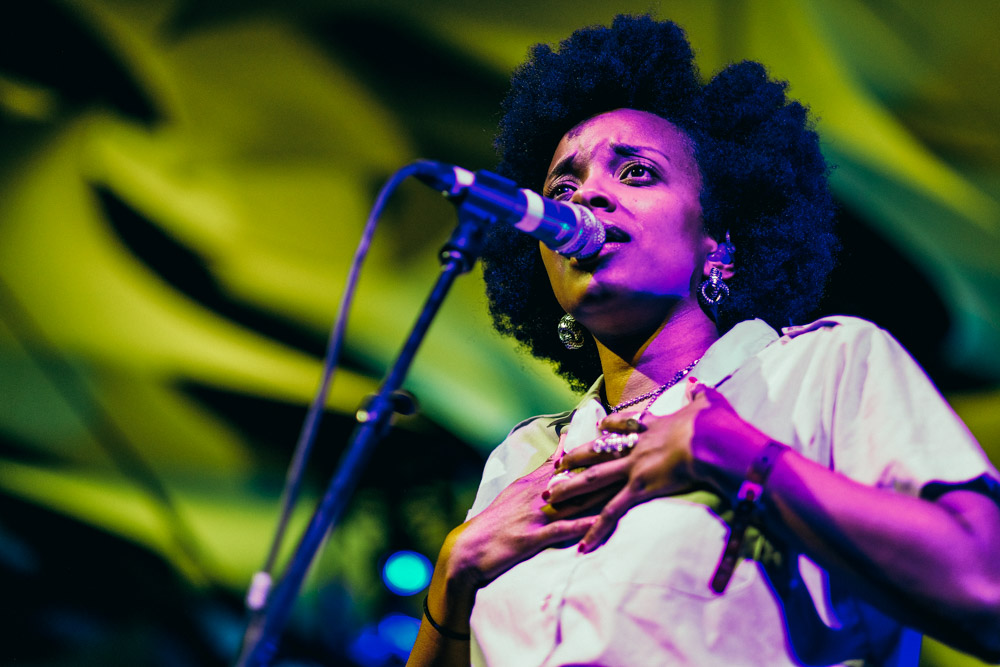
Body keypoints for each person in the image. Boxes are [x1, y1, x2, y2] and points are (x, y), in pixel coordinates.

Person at [406, 15, 1000, 667]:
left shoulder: (822, 370)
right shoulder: (520, 457)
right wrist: (453, 573)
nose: (589, 196)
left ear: (717, 239)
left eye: (635, 173)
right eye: (562, 188)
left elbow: (985, 588)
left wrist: (743, 457)